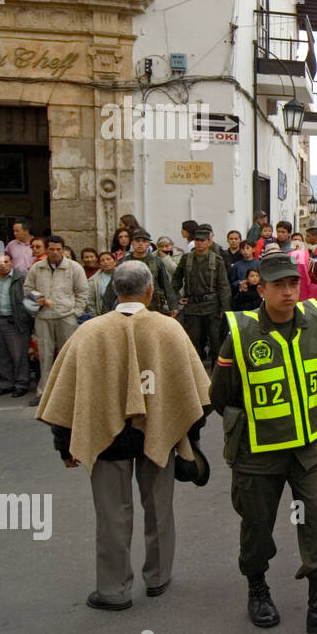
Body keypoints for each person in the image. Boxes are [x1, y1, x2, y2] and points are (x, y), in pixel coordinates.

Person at [38, 260, 211, 610]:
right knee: (159, 507)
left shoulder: (88, 333)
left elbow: (67, 395)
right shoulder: (169, 329)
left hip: (107, 439)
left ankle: (114, 591)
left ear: (114, 291)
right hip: (159, 434)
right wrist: (189, 439)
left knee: (111, 514)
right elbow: (194, 393)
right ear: (150, 291)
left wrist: (64, 445)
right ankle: (158, 578)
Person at [210, 251, 317, 633]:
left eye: (293, 283)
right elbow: (221, 395)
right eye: (278, 285)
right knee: (257, 525)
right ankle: (258, 589)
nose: (288, 292)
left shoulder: (315, 320)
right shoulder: (241, 333)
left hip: (310, 444)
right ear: (261, 289)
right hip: (258, 449)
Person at [24, 234, 87, 405]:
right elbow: (27, 288)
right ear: (46, 249)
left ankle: (72, 391)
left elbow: (82, 292)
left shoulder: (74, 268)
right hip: (43, 317)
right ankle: (43, 392)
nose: (55, 253)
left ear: (63, 249)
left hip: (66, 316)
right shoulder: (37, 268)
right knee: (45, 355)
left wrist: (76, 312)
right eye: (51, 249)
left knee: (69, 355)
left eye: (58, 249)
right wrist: (38, 298)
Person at [171, 224, 231, 367]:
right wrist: (174, 302)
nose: (199, 243)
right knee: (194, 342)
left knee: (216, 343)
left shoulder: (217, 261)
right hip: (192, 307)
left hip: (212, 306)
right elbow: (175, 282)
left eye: (203, 240)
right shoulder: (186, 260)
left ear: (209, 242)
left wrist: (225, 309)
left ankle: (217, 373)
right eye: (197, 240)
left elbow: (224, 286)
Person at [0, 253, 32, 397]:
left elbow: (30, 299)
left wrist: (26, 319)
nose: (3, 265)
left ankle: (21, 384)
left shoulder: (21, 277)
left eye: (6, 261)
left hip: (15, 321)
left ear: (12, 262)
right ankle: (6, 384)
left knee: (19, 355)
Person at [110, 230, 176, 315]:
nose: (140, 244)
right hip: (129, 306)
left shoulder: (156, 262)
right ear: (132, 243)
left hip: (152, 306)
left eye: (144, 241)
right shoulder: (124, 263)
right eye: (137, 241)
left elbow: (166, 284)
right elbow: (113, 287)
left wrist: (173, 305)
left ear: (148, 244)